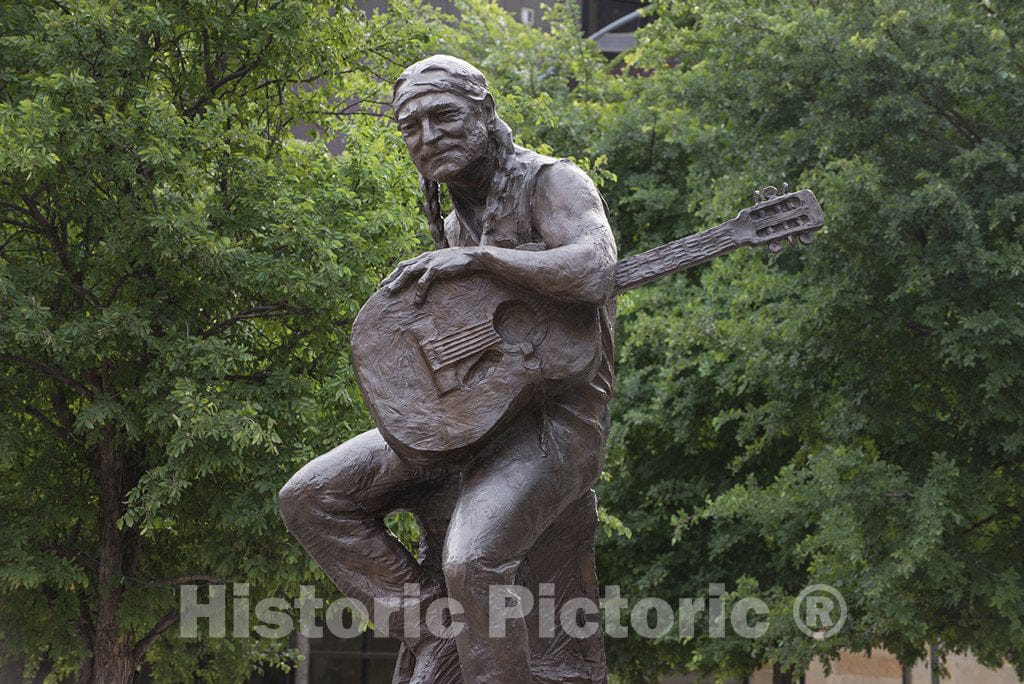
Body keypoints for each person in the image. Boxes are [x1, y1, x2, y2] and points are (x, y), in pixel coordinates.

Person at [278, 54, 616, 684]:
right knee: (312, 497)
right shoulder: (456, 217)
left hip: (555, 427)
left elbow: (594, 267)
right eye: (411, 126)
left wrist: (484, 261)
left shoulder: (553, 184)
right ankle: (442, 631)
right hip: (471, 417)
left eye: (443, 116)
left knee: (472, 561)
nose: (427, 137)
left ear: (485, 114)